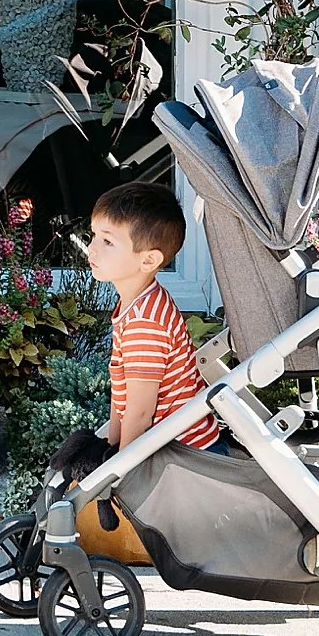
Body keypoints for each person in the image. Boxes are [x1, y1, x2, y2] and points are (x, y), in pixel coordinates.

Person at [75, 181, 219, 466]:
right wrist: (111, 448)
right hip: (167, 448)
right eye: (93, 236)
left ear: (149, 260)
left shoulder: (146, 322)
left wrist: (118, 473)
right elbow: (123, 395)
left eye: (108, 241)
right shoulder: (137, 303)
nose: (92, 248)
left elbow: (140, 413)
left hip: (185, 459)